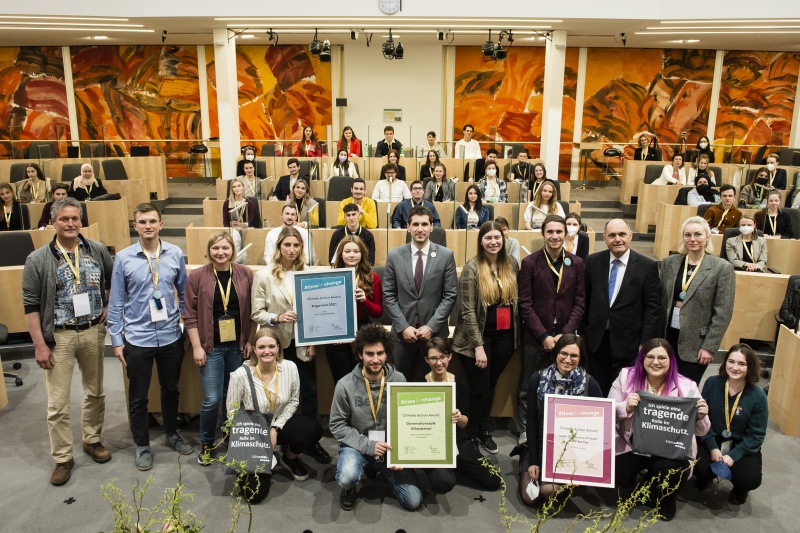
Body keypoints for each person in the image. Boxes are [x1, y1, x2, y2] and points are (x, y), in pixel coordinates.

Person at [22, 197, 114, 485]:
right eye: (64, 219)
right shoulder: (38, 259)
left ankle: (92, 440)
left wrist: (108, 306)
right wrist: (39, 344)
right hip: (58, 336)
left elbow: (112, 282)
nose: (70, 223)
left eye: (75, 218)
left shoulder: (97, 250)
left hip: (92, 331)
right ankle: (63, 457)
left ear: (81, 220)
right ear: (53, 222)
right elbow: (30, 305)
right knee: (58, 403)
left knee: (95, 392)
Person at [107, 203, 192, 470]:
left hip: (170, 335)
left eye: (152, 221)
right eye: (142, 222)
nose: (148, 226)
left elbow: (185, 294)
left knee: (170, 389)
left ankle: (171, 433)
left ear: (160, 225)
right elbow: (116, 301)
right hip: (137, 337)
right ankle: (142, 445)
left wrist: (187, 328)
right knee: (138, 396)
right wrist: (116, 339)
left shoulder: (174, 253)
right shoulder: (123, 258)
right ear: (135, 226)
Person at [251, 227, 331, 465]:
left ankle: (311, 440)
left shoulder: (308, 273)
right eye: (287, 245)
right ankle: (281, 438)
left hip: (303, 342)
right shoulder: (264, 275)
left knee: (310, 391)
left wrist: (313, 341)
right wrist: (277, 318)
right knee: (281, 393)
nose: (292, 250)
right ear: (279, 247)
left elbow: (316, 310)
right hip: (277, 345)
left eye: (296, 245)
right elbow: (256, 312)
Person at [609, 339, 709, 521]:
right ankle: (647, 480)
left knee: (670, 471)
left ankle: (664, 497)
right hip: (633, 443)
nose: (656, 362)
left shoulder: (687, 386)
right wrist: (626, 407)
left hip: (670, 450)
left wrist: (701, 417)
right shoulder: (625, 376)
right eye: (650, 357)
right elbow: (608, 412)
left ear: (671, 361)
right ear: (642, 358)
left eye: (662, 358)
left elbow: (702, 431)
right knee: (620, 476)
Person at [330, 324, 423, 511]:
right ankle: (351, 486)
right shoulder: (345, 384)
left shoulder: (399, 380)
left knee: (413, 500)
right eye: (369, 354)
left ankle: (378, 467)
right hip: (357, 444)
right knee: (347, 477)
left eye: (380, 353)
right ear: (360, 355)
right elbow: (337, 425)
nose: (375, 359)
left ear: (387, 354)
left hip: (389, 446)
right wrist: (369, 446)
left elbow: (407, 420)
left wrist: (402, 454)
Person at [225, 329, 325, 502]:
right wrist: (257, 438)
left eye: (271, 346)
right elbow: (232, 411)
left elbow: (293, 401)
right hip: (253, 431)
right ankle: (257, 462)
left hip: (279, 425)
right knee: (254, 495)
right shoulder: (240, 375)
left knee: (312, 429)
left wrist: (274, 428)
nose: (267, 351)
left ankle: (289, 458)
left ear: (278, 348)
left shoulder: (290, 367)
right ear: (254, 349)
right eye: (261, 347)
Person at [184, 232, 255, 463]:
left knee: (232, 398)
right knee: (212, 399)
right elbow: (190, 315)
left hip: (237, 347)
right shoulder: (197, 276)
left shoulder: (245, 274)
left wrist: (249, 340)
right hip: (210, 347)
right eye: (215, 248)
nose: (220, 252)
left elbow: (253, 311)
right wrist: (197, 347)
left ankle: (230, 436)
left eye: (225, 248)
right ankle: (206, 442)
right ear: (209, 251)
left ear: (233, 250)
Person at [517, 215, 585, 446]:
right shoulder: (530, 263)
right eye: (550, 232)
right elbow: (525, 304)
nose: (554, 236)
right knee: (528, 384)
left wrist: (565, 335)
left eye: (559, 232)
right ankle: (526, 429)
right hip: (536, 336)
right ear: (543, 234)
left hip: (566, 336)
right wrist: (543, 335)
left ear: (565, 234)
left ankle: (559, 427)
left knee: (563, 382)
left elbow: (579, 304)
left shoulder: (576, 263)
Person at [451, 221, 519, 454]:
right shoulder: (472, 268)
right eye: (488, 238)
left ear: (503, 239)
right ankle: (469, 435)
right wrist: (478, 346)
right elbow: (467, 311)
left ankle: (482, 429)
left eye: (497, 237)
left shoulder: (511, 264)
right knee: (479, 388)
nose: (493, 242)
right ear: (481, 241)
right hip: (477, 339)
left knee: (491, 385)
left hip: (504, 338)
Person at [519, 334, 602, 505]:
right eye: (563, 353)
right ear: (556, 353)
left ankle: (569, 483)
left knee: (547, 491)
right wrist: (533, 460)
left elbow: (600, 429)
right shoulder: (538, 378)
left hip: (573, 451)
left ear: (581, 358)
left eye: (574, 355)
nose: (568, 359)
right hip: (540, 443)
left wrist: (583, 467)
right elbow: (531, 421)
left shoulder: (590, 384)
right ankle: (526, 459)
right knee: (530, 498)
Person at [584, 218, 661, 395]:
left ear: (630, 236)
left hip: (629, 342)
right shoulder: (593, 261)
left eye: (622, 234)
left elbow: (653, 308)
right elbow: (586, 298)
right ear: (604, 238)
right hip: (597, 340)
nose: (617, 239)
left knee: (624, 391)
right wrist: (584, 333)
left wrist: (645, 342)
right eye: (612, 235)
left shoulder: (647, 266)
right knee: (598, 388)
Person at [383, 206, 457, 381]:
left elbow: (450, 295)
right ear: (408, 227)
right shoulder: (394, 256)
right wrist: (403, 326)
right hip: (403, 336)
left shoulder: (446, 255)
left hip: (435, 336)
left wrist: (431, 327)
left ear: (432, 227)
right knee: (401, 384)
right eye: (415, 224)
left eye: (424, 224)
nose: (420, 228)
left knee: (434, 386)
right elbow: (388, 294)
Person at [659, 216, 735, 384]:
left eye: (698, 234)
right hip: (667, 337)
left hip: (696, 343)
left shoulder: (722, 268)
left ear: (707, 236)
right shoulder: (669, 263)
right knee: (662, 387)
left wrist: (709, 346)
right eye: (688, 235)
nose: (692, 239)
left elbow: (723, 312)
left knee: (685, 390)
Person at [419, 337, 501, 492]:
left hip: (456, 441)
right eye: (433, 358)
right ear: (426, 360)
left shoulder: (459, 383)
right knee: (443, 483)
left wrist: (458, 417)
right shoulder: (419, 384)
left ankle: (455, 465)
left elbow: (465, 423)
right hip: (430, 442)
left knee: (493, 480)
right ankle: (440, 467)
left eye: (442, 357)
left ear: (449, 356)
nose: (439, 362)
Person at [695, 344, 767, 505]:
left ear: (750, 367)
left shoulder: (758, 396)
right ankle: (705, 477)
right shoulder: (712, 383)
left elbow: (756, 435)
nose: (735, 367)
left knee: (749, 478)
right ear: (725, 362)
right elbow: (702, 419)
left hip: (741, 445)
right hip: (712, 438)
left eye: (742, 364)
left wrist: (733, 456)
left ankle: (740, 489)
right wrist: (713, 447)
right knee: (698, 466)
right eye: (731, 361)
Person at [327, 236, 383, 384]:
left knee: (363, 382)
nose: (352, 255)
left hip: (362, 332)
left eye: (356, 251)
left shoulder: (372, 277)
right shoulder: (331, 277)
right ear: (340, 254)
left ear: (362, 254)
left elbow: (378, 312)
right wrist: (335, 331)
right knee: (341, 382)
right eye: (347, 251)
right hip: (337, 333)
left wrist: (364, 301)